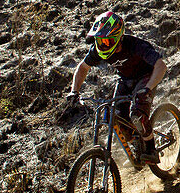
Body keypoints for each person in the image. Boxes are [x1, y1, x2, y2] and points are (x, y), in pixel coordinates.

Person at [66, 10, 167, 161]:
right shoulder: (97, 51)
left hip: (146, 77)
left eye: (107, 41)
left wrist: (148, 88)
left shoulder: (135, 46)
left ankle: (151, 148)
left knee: (137, 114)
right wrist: (74, 91)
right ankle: (137, 144)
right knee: (114, 116)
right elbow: (82, 68)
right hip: (125, 79)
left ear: (118, 38)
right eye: (100, 41)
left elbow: (161, 65)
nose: (103, 45)